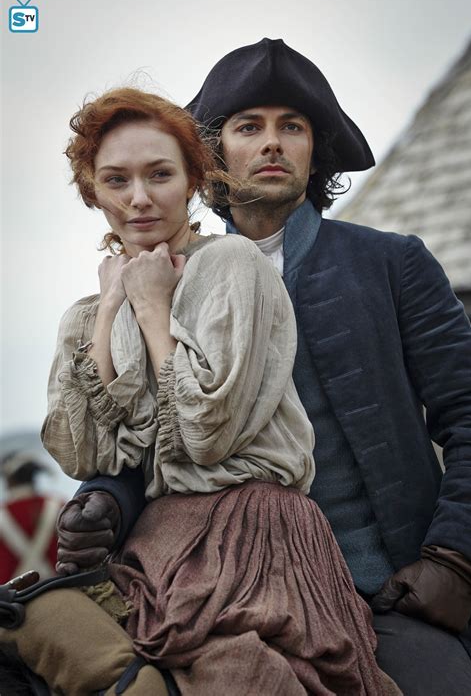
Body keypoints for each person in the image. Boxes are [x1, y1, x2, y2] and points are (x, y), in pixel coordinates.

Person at [53, 38, 471, 695]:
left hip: (390, 589)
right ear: (212, 155)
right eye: (249, 127)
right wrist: (104, 497)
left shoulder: (392, 264)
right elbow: (151, 433)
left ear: (315, 151)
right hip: (222, 589)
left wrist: (454, 558)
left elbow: (469, 413)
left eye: (292, 127)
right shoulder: (164, 278)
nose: (272, 143)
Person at [1, 87, 400, 695]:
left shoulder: (232, 264)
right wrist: (109, 309)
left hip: (256, 535)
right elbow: (85, 455)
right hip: (157, 546)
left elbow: (207, 434)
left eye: (160, 174)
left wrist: (153, 311)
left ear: (193, 179)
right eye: (116, 180)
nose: (139, 198)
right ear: (92, 192)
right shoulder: (85, 315)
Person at [0, 450, 63, 583]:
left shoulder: (3, 512)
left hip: (10, 593)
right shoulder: (59, 506)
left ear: (9, 479)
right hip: (59, 583)